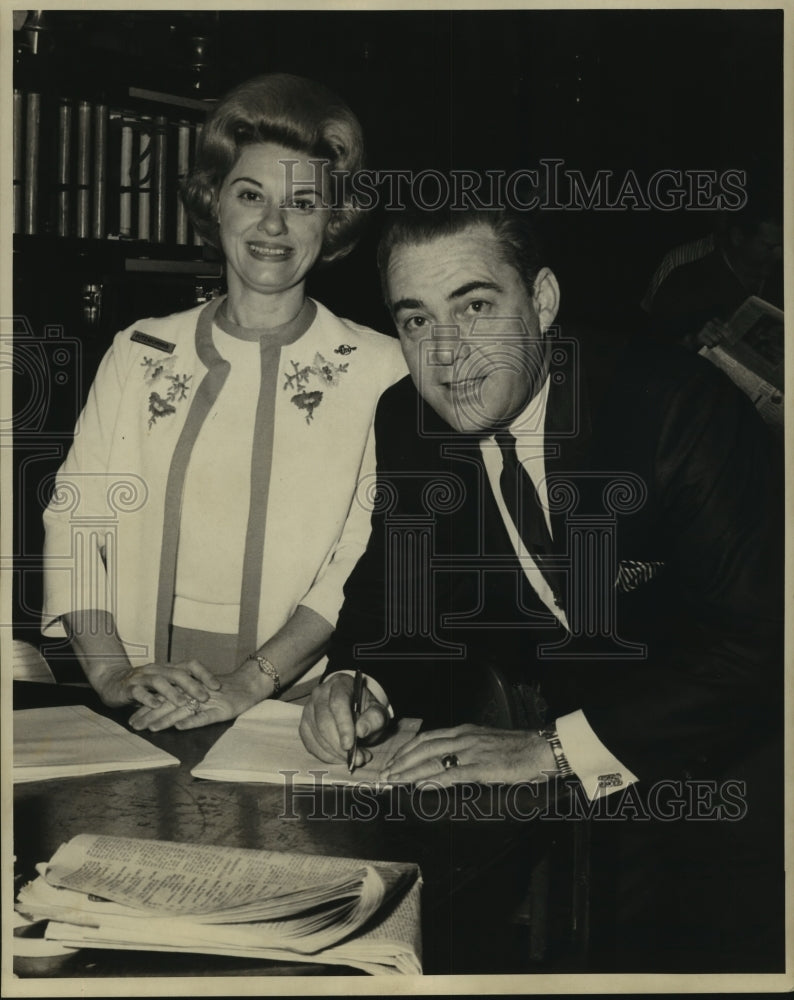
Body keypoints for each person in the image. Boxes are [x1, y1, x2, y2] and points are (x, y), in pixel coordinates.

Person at [299, 206, 783, 970]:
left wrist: (554, 750)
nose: (447, 354)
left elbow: (760, 645)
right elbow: (398, 592)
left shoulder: (672, 407)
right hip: (563, 786)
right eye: (417, 320)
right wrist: (360, 682)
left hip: (732, 773)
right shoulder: (406, 418)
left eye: (476, 306)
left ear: (545, 301)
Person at [41, 74, 405, 730]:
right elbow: (76, 519)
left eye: (301, 202)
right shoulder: (139, 351)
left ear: (333, 218)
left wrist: (247, 684)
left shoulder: (381, 367)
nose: (273, 223)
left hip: (302, 712)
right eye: (250, 193)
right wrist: (112, 672)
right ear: (216, 204)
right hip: (145, 703)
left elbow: (359, 557)